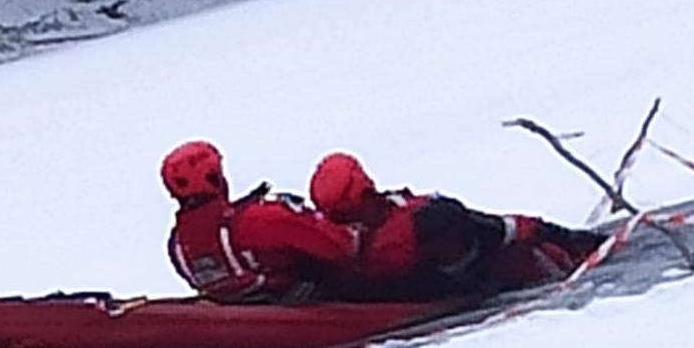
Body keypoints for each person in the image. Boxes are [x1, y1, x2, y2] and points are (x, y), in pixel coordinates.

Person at [308, 152, 609, 301]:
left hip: (463, 263)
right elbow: (492, 231)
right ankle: (572, 244)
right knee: (519, 236)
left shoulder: (345, 239)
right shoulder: (409, 223)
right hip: (482, 271)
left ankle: (567, 243)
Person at [161, 140, 361, 304]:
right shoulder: (258, 221)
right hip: (304, 305)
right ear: (215, 178)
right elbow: (341, 247)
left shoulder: (177, 248)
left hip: (242, 316)